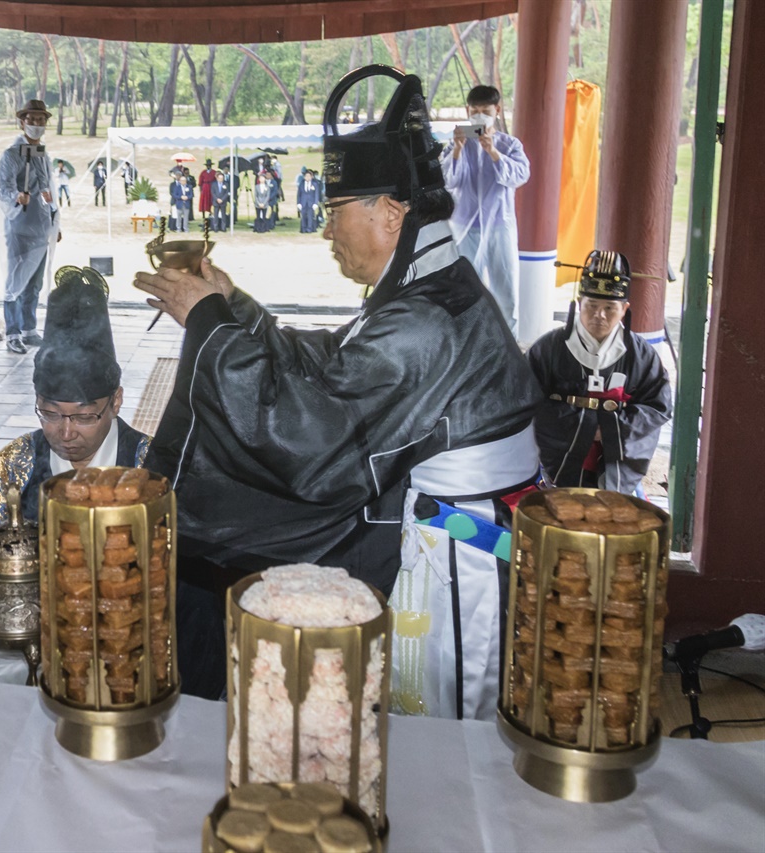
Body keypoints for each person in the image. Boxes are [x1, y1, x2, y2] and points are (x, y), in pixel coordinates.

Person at [134, 67, 541, 711]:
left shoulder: (428, 318)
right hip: (439, 542)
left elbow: (313, 431)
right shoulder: (428, 291)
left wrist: (208, 323)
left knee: (446, 759)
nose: (325, 232)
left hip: (459, 569)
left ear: (390, 210)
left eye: (333, 212)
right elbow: (334, 367)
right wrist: (233, 306)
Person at [0, 265, 151, 540]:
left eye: (84, 417)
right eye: (50, 413)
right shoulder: (7, 472)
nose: (66, 433)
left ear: (116, 401)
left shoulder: (152, 467)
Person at [528, 251, 672, 494]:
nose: (599, 315)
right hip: (559, 449)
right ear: (579, 302)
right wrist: (585, 428)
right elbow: (525, 399)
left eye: (610, 307)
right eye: (591, 305)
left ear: (624, 309)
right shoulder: (548, 348)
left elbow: (658, 406)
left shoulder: (641, 355)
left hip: (617, 452)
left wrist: (608, 429)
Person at [441, 84, 530, 333]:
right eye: (475, 111)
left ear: (497, 111)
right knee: (465, 289)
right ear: (467, 111)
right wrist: (457, 150)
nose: (479, 116)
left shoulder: (510, 145)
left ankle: (507, 346)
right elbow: (449, 181)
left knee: (505, 290)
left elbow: (520, 175)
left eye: (485, 110)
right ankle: (468, 343)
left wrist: (492, 151)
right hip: (464, 228)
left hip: (500, 226)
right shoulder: (457, 144)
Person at [0, 99, 61, 354]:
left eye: (40, 120)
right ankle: (12, 332)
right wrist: (16, 196)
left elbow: (49, 190)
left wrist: (55, 222)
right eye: (31, 120)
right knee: (15, 282)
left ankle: (29, 329)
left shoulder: (42, 155)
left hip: (42, 227)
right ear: (22, 122)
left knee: (34, 283)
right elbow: (3, 188)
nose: (36, 124)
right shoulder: (11, 155)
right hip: (20, 227)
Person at [296, 169, 320, 234]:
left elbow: (316, 194)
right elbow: (299, 194)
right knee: (303, 216)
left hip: (311, 203)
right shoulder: (301, 184)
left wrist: (315, 203)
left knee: (310, 216)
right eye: (306, 176)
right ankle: (303, 229)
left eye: (309, 176)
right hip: (303, 202)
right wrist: (298, 203)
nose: (307, 177)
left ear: (311, 177)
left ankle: (309, 229)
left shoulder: (314, 184)